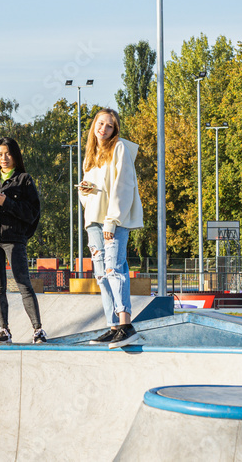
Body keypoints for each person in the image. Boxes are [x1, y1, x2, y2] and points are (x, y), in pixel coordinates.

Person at [78, 108, 145, 349]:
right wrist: (84, 192)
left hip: (113, 221)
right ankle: (113, 325)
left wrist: (112, 220)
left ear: (115, 129)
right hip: (93, 221)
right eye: (100, 123)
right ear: (94, 125)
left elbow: (123, 187)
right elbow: (90, 196)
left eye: (109, 125)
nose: (103, 129)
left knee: (114, 269)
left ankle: (126, 325)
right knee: (101, 275)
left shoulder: (120, 149)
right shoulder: (91, 155)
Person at [0, 137, 45, 344]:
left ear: (15, 155)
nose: (4, 158)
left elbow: (32, 213)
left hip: (14, 240)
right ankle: (4, 330)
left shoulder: (24, 180)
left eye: (8, 154)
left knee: (23, 284)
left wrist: (7, 202)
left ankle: (38, 330)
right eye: (0, 154)